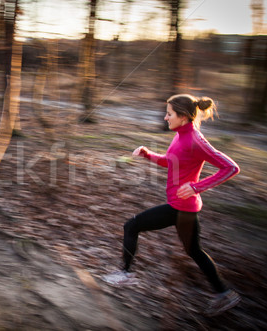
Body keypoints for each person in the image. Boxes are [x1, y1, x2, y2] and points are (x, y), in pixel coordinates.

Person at [102, 94, 241, 316]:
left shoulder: (195, 139)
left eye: (169, 114)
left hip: (181, 208)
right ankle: (224, 294)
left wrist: (197, 187)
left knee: (132, 226)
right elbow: (171, 161)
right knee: (194, 251)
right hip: (185, 208)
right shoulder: (180, 135)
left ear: (183, 116)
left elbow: (231, 168)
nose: (165, 118)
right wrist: (148, 154)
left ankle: (125, 274)